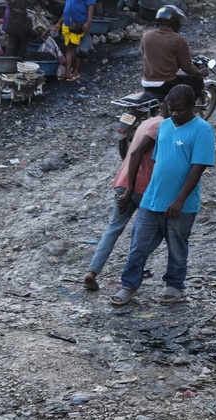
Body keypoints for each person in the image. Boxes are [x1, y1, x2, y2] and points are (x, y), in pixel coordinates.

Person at [111, 85, 215, 306]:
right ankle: (128, 286)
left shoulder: (202, 130)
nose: (175, 114)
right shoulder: (164, 126)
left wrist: (179, 199)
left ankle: (174, 285)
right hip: (152, 200)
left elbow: (197, 169)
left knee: (177, 247)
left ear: (192, 106)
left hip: (182, 205)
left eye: (180, 110)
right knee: (138, 245)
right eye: (171, 109)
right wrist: (132, 189)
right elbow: (159, 162)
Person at [83, 103, 169, 290]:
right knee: (148, 232)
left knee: (114, 227)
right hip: (141, 186)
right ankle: (132, 272)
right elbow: (142, 154)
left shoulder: (147, 122)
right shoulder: (161, 126)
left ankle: (93, 271)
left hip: (123, 181)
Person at [140, 5, 207, 97]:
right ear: (175, 22)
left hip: (146, 82)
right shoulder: (178, 39)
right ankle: (187, 110)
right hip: (167, 82)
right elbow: (187, 68)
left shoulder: (146, 36)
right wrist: (199, 73)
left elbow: (145, 55)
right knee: (197, 81)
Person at [56, 0, 95, 81]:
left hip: (79, 24)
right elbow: (66, 10)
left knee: (79, 49)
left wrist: (88, 21)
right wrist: (59, 22)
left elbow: (91, 6)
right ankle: (68, 72)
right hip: (67, 24)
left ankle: (76, 72)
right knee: (69, 48)